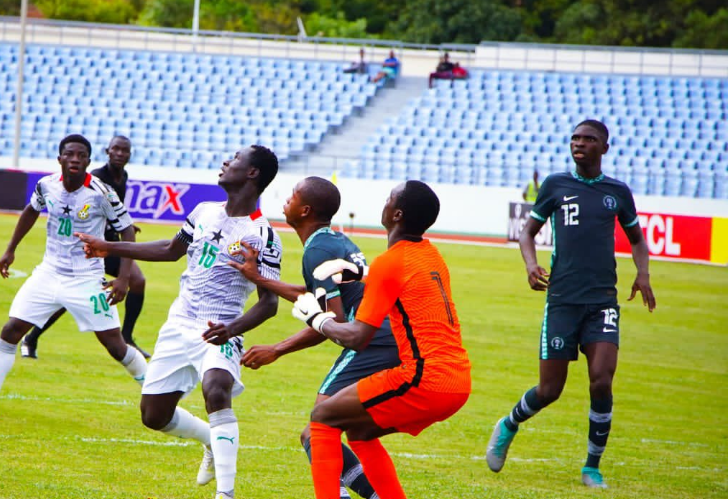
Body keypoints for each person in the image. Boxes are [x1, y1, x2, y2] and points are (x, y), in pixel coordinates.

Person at [76, 145, 282, 499]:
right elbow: (171, 250)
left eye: (234, 159)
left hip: (220, 327)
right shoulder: (203, 210)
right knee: (153, 416)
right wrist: (110, 247)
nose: (225, 162)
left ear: (252, 174)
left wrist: (231, 330)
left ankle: (226, 494)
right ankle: (209, 441)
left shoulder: (263, 235)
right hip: (179, 322)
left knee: (216, 388)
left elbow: (270, 303)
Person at [485, 119, 656, 489]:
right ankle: (509, 423)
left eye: (589, 139)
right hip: (561, 300)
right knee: (550, 391)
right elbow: (528, 231)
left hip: (602, 302)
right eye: (575, 138)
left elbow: (638, 240)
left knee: (601, 380)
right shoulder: (555, 185)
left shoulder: (617, 192)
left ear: (604, 148)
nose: (579, 143)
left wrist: (642, 273)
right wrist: (531, 265)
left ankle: (592, 467)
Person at [290, 180, 471, 499]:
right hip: (458, 381)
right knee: (360, 431)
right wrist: (356, 274)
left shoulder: (391, 262)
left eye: (389, 199)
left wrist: (317, 319)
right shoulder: (430, 255)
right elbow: (397, 279)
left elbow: (357, 337)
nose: (384, 203)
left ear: (396, 214)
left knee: (322, 418)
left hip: (424, 379)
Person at [229, 176, 400, 499]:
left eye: (293, 195)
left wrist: (277, 349)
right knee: (350, 429)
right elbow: (317, 296)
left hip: (372, 340)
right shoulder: (333, 241)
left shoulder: (317, 250)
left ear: (305, 209)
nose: (287, 198)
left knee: (318, 430)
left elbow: (331, 320)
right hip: (388, 337)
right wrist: (258, 277)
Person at [0, 134, 148, 420]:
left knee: (115, 346)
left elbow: (127, 230)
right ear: (59, 159)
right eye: (69, 154)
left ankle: (159, 392)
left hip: (86, 277)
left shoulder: (101, 192)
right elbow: (31, 210)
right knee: (10, 332)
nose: (74, 159)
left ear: (88, 161)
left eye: (81, 156)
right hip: (48, 272)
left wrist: (123, 277)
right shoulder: (46, 185)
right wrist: (10, 250)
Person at [21, 135, 151, 360]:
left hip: (109, 244)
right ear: (107, 152)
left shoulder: (122, 176)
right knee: (65, 300)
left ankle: (127, 337)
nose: (120, 154)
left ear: (130, 155)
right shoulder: (97, 178)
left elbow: (109, 211)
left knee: (137, 281)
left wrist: (125, 224)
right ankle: (31, 338)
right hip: (88, 248)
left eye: (125, 151)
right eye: (116, 149)